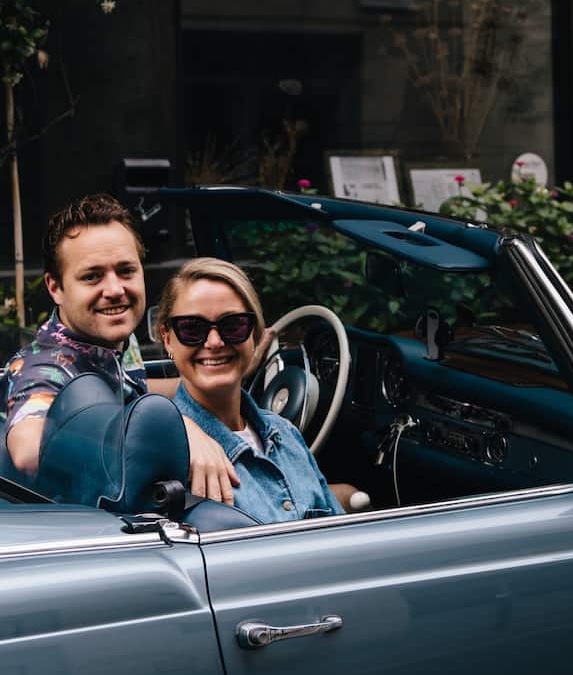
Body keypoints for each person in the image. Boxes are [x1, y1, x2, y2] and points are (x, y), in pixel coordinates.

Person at [3, 193, 270, 504]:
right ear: (55, 288)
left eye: (126, 271)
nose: (115, 290)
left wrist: (228, 367)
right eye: (92, 277)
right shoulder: (43, 368)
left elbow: (133, 388)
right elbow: (28, 450)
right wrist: (179, 430)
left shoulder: (113, 339)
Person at [157, 257, 344, 523]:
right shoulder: (164, 450)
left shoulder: (286, 434)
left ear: (255, 335)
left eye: (233, 326)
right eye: (192, 328)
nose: (214, 342)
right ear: (167, 339)